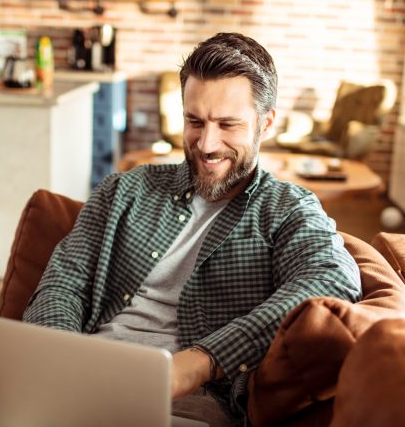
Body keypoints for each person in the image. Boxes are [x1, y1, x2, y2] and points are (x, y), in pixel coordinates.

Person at [23, 32, 362, 426]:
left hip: (193, 398)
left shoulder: (287, 209)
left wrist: (202, 361)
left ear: (265, 123)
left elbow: (332, 279)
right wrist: (57, 355)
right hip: (86, 376)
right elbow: (63, 283)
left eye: (228, 124)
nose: (206, 143)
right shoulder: (125, 189)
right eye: (194, 121)